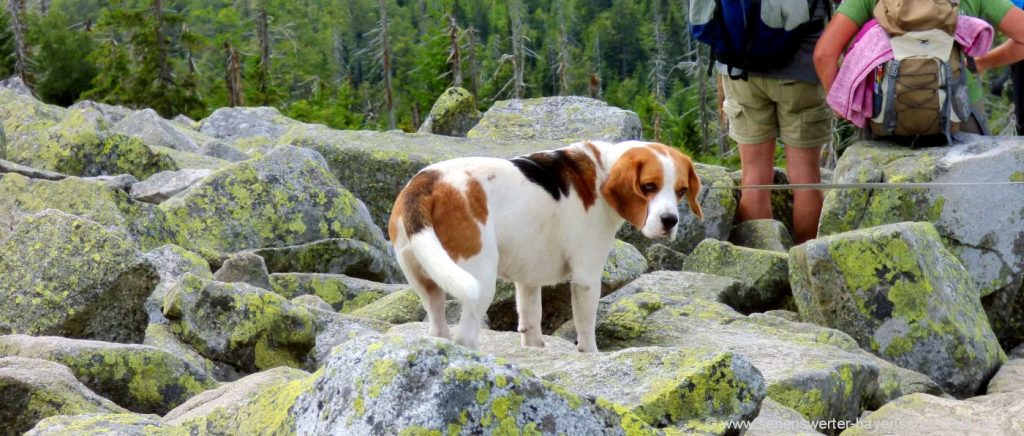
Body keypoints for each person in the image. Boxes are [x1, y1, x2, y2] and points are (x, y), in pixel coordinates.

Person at [814, 0, 1024, 134]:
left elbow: (824, 54)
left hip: (884, 122)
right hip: (961, 117)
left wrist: (842, 107)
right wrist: (982, 63)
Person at [721, 1, 833, 244]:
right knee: (805, 179)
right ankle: (806, 267)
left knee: (753, 177)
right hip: (801, 68)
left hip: (740, 66)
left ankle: (763, 264)